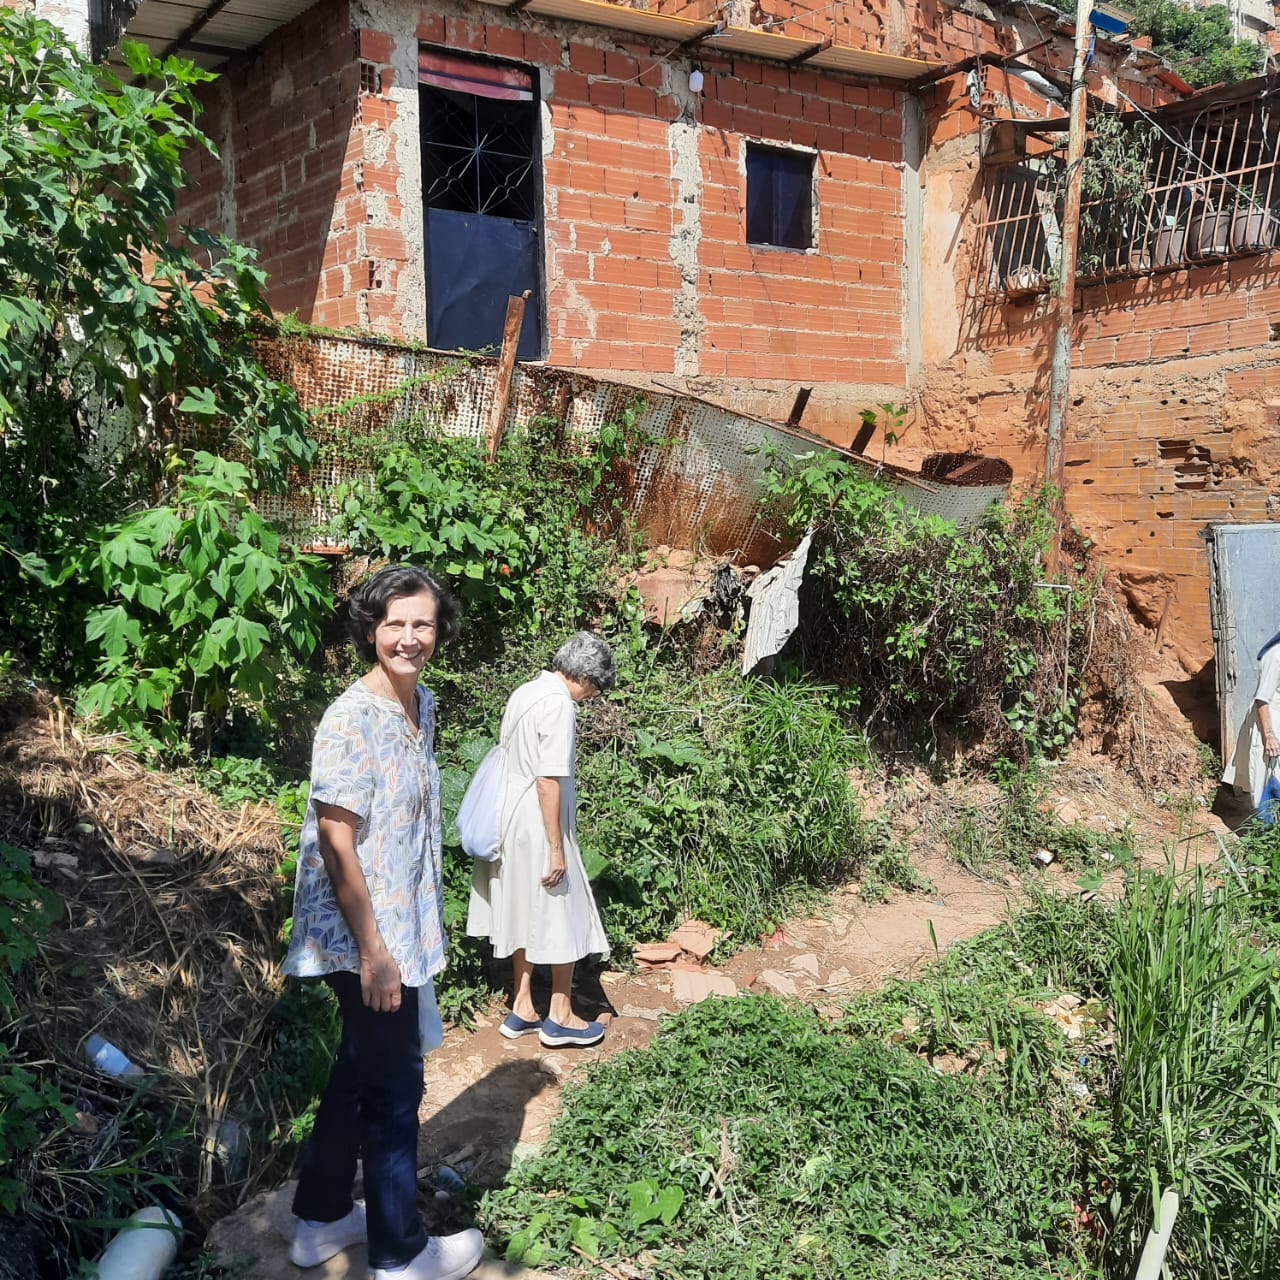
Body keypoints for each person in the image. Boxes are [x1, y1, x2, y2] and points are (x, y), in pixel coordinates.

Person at [282, 565, 485, 1280]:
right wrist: (374, 953)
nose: (408, 638)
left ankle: (320, 1220)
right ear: (371, 630)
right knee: (395, 1088)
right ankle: (400, 1254)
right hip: (363, 938)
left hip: (402, 927)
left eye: (421, 623)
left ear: (439, 630)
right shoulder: (351, 718)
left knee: (357, 1070)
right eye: (393, 624)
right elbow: (337, 842)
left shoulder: (421, 703)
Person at [467, 632, 615, 1048]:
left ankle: (523, 1007)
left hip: (510, 819)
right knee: (561, 912)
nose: (592, 696)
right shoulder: (559, 705)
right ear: (584, 676)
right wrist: (556, 848)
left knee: (524, 911)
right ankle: (560, 1016)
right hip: (539, 822)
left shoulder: (526, 692)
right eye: (595, 687)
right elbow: (548, 779)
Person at [1223, 628, 1280, 820]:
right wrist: (1269, 735)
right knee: (1267, 778)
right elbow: (1262, 700)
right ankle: (1266, 830)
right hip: (1269, 722)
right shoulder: (1275, 656)